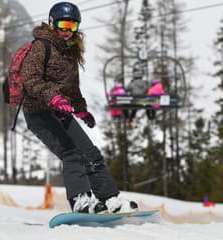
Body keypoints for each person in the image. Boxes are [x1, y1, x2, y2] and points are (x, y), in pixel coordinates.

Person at [20, 2, 138, 214]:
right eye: (63, 25)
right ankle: (80, 200)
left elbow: (71, 89)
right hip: (38, 113)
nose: (67, 31)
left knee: (91, 154)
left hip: (60, 111)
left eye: (72, 26)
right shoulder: (41, 47)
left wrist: (81, 109)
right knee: (71, 153)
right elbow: (30, 79)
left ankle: (110, 199)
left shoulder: (69, 51)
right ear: (53, 23)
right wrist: (52, 97)